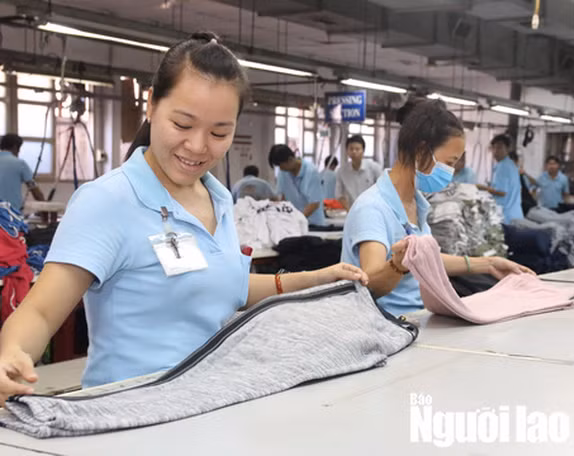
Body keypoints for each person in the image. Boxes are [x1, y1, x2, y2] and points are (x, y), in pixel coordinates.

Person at [0, 32, 368, 402]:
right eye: (182, 125)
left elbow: (226, 286)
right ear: (151, 105)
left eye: (219, 132)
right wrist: (11, 354)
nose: (197, 146)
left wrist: (319, 278)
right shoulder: (107, 201)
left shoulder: (219, 198)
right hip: (132, 414)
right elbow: (41, 312)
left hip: (212, 403)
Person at [341, 99, 532, 317]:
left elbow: (427, 260)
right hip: (387, 323)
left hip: (418, 316)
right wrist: (397, 265)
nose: (450, 172)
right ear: (422, 151)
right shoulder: (372, 208)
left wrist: (489, 264)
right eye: (449, 163)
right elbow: (370, 282)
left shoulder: (416, 204)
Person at [269, 144, 326, 226]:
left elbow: (314, 204)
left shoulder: (311, 172)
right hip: (294, 223)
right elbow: (283, 198)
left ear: (290, 159)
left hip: (313, 224)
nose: (281, 169)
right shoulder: (283, 173)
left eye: (281, 165)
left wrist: (297, 220)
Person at [478, 134, 523, 223]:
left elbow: (502, 192)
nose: (496, 151)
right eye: (493, 148)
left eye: (499, 148)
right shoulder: (511, 164)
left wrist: (481, 187)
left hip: (506, 216)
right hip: (515, 214)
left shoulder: (503, 166)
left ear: (508, 149)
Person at [335, 135, 383, 211]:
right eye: (351, 149)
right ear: (347, 151)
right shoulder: (342, 171)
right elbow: (339, 194)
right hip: (352, 210)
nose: (354, 152)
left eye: (357, 149)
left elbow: (383, 190)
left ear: (363, 151)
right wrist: (350, 210)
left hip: (373, 210)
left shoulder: (374, 168)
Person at [0, 134, 45, 212]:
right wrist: (45, 207)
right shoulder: (20, 164)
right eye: (19, 149)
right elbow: (34, 189)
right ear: (15, 147)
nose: (19, 152)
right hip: (11, 213)